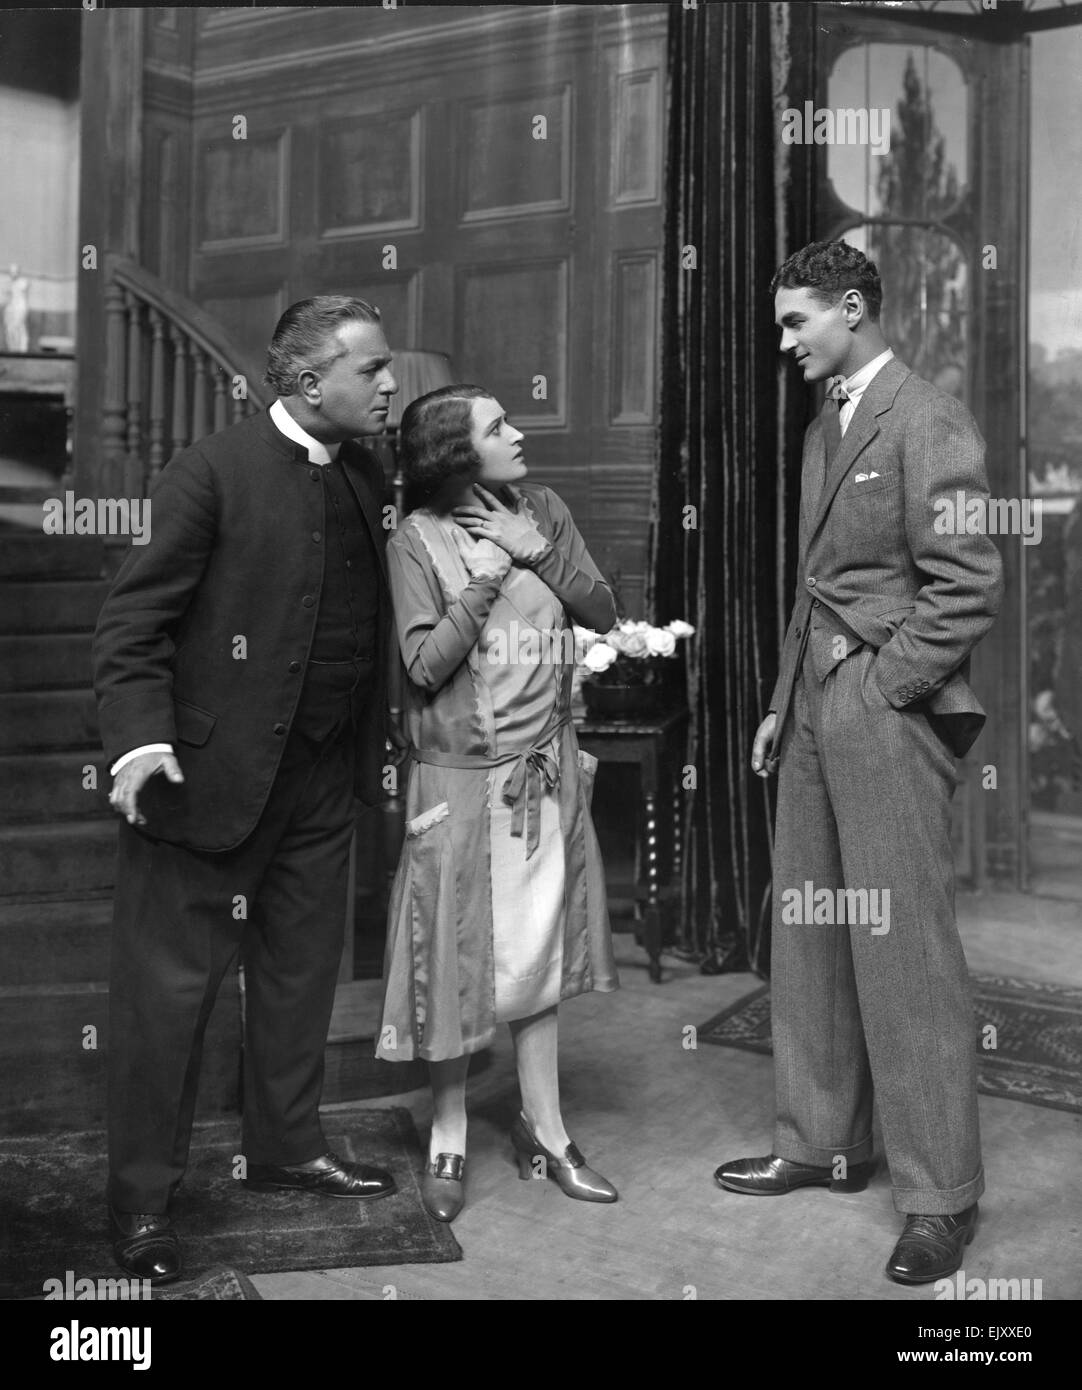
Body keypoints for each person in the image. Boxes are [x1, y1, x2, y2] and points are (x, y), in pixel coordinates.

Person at [93, 296, 401, 1284]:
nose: (390, 383)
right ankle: (141, 1201)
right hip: (206, 788)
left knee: (299, 981)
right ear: (312, 384)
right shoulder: (210, 472)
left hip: (319, 785)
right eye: (374, 369)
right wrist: (139, 744)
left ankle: (284, 1150)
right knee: (167, 1004)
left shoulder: (364, 470)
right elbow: (131, 625)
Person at [714, 241, 1003, 1285]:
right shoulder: (820, 425)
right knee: (812, 934)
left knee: (904, 956)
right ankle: (820, 1143)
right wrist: (784, 703)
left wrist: (879, 689)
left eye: (796, 323)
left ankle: (938, 1198)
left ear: (849, 307)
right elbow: (814, 586)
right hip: (811, 714)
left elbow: (966, 583)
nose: (784, 342)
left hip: (884, 707)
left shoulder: (924, 417)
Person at [376, 385, 619, 1222]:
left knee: (537, 949)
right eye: (498, 427)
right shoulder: (415, 539)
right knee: (455, 954)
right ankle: (449, 1131)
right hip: (459, 783)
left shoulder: (542, 507)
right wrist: (482, 580)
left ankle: (544, 1128)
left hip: (545, 774)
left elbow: (603, 610)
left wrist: (534, 547)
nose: (519, 433)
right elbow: (420, 668)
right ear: (455, 453)